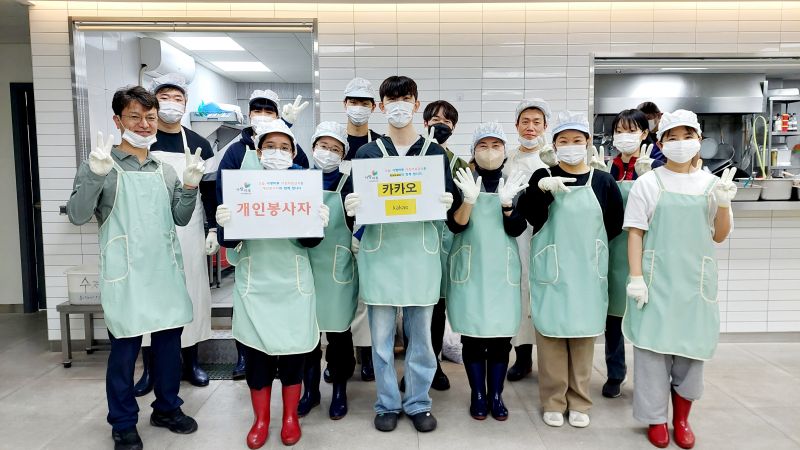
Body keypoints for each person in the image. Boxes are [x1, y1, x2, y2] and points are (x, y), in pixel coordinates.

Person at [67, 86, 203, 450]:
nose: (144, 124)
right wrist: (94, 175)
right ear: (118, 120)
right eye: (135, 116)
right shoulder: (101, 165)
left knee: (168, 348)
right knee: (124, 354)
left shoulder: (164, 170)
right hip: (125, 275)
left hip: (163, 273)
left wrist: (190, 186)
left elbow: (180, 218)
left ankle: (167, 408)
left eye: (150, 117)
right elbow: (78, 215)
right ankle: (124, 421)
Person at [342, 75, 462, 433]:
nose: (399, 106)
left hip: (421, 255)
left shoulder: (434, 155)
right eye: (391, 100)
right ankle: (387, 403)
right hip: (380, 255)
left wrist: (451, 199)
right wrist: (351, 208)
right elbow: (353, 211)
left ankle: (419, 402)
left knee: (421, 339)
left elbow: (452, 210)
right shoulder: (367, 154)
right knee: (380, 341)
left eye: (405, 98)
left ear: (416, 103)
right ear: (381, 106)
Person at [214, 119, 330, 448]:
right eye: (269, 146)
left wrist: (317, 223)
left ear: (293, 153)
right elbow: (228, 241)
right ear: (258, 151)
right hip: (256, 284)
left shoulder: (303, 185)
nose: (276, 152)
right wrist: (223, 224)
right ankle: (261, 419)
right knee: (257, 358)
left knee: (294, 356)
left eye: (283, 147)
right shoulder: (244, 185)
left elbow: (310, 243)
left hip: (293, 283)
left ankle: (290, 417)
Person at [624, 110, 736, 449]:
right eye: (672, 137)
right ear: (661, 144)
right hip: (657, 283)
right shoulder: (648, 183)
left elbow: (719, 235)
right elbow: (635, 233)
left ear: (699, 140)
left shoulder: (712, 185)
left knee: (690, 353)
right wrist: (636, 277)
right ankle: (656, 419)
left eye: (687, 136)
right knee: (652, 355)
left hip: (694, 284)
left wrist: (723, 205)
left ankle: (682, 419)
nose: (680, 143)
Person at [516, 111, 623, 429]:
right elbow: (530, 216)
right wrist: (541, 189)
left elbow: (614, 224)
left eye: (577, 140)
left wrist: (591, 251)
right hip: (552, 271)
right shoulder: (543, 176)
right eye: (564, 141)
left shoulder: (602, 181)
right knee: (550, 338)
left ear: (588, 142)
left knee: (583, 339)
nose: (571, 146)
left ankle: (579, 401)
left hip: (587, 273)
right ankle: (553, 400)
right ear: (554, 145)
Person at [215, 89, 309, 380]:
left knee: (287, 322)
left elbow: (306, 192)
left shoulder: (297, 161)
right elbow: (224, 194)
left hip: (287, 255)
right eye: (258, 110)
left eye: (270, 111)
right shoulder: (235, 152)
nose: (263, 115)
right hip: (253, 252)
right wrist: (222, 222)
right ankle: (244, 357)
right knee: (248, 314)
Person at [131, 74, 215, 396]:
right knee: (150, 297)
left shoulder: (199, 143)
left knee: (190, 292)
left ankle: (191, 362)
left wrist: (213, 228)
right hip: (149, 231)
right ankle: (150, 369)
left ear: (186, 103)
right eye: (164, 97)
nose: (171, 104)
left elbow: (210, 191)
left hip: (188, 230)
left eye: (178, 98)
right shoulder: (142, 141)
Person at [447, 122, 528, 421]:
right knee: (472, 337)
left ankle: (496, 394)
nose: (490, 152)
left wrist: (508, 205)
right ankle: (477, 394)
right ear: (473, 151)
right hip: (470, 269)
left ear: (505, 151)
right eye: (483, 146)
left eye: (496, 146)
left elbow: (516, 228)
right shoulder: (461, 181)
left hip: (501, 272)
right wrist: (468, 200)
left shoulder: (514, 183)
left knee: (500, 339)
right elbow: (456, 225)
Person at [398, 99, 470, 393]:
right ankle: (411, 367)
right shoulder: (407, 155)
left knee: (437, 308)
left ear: (454, 128)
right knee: (412, 306)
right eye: (436, 120)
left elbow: (465, 209)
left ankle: (434, 364)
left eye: (447, 122)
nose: (441, 125)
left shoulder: (458, 164)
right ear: (424, 122)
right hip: (412, 240)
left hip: (444, 243)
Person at [601, 108, 665, 399]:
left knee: (645, 319)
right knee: (613, 318)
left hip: (645, 251)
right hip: (614, 251)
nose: (624, 136)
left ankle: (649, 379)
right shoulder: (607, 167)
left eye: (631, 130)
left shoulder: (657, 166)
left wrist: (650, 178)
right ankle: (615, 373)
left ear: (644, 133)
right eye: (619, 131)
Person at [298, 122, 359, 420]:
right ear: (313, 148)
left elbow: (365, 219)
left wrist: (357, 225)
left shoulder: (349, 183)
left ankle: (339, 390)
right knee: (307, 334)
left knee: (338, 336)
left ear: (343, 155)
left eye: (336, 149)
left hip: (337, 269)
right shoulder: (298, 181)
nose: (329, 153)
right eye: (324, 146)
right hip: (304, 265)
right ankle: (310, 392)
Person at [503, 99, 553, 382]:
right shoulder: (507, 159)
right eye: (525, 122)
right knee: (520, 292)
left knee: (546, 291)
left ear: (545, 126)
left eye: (536, 122)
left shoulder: (553, 159)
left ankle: (551, 359)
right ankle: (522, 358)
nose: (530, 127)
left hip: (547, 234)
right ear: (516, 125)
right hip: (516, 236)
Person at [341, 77, 381, 383]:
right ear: (344, 104)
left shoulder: (379, 145)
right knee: (338, 294)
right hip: (334, 230)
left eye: (364, 103)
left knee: (368, 295)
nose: (358, 107)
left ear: (373, 107)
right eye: (353, 102)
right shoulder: (331, 143)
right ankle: (340, 356)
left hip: (370, 231)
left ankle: (367, 355)